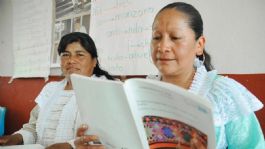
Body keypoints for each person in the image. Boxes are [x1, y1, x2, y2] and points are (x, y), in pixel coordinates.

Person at [76, 2, 265, 149]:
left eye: (175, 38)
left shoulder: (224, 94)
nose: (162, 47)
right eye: (156, 37)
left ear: (199, 45)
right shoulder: (137, 93)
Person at [0, 32, 114, 148]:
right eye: (65, 54)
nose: (71, 60)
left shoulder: (105, 89)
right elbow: (33, 128)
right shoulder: (51, 89)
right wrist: (16, 139)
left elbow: (107, 139)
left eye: (79, 55)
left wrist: (70, 146)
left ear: (94, 61)